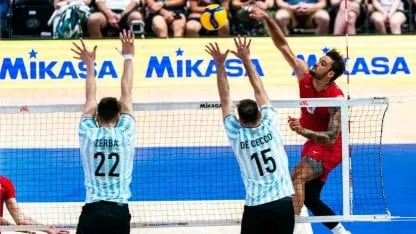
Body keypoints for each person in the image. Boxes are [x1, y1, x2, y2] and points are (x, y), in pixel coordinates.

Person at [246, 6, 352, 234]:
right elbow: (282, 44)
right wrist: (267, 17)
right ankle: (341, 232)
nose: (316, 64)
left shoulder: (336, 98)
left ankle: (291, 229)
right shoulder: (304, 76)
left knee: (295, 177)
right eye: (319, 60)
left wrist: (301, 130)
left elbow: (331, 137)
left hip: (333, 146)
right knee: (311, 198)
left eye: (323, 64)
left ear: (331, 74)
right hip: (313, 143)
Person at [205, 36, 294, 234]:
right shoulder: (270, 122)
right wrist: (246, 59)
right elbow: (259, 89)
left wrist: (220, 65)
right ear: (260, 113)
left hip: (256, 206)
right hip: (283, 202)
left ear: (240, 120)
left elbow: (225, 98)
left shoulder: (235, 133)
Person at [71, 29, 136, 234]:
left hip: (93, 211)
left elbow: (90, 99)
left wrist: (90, 66)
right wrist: (128, 56)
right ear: (118, 116)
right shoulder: (125, 131)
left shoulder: (88, 133)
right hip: (118, 212)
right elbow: (126, 93)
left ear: (96, 116)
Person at [0, 176, 68, 234]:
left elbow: (21, 219)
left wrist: (47, 228)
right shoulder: (5, 182)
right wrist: (14, 227)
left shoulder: (5, 183)